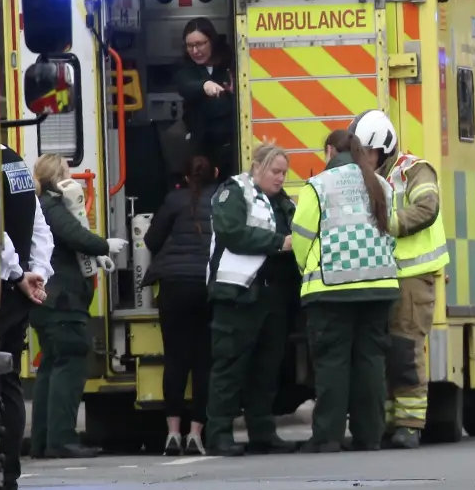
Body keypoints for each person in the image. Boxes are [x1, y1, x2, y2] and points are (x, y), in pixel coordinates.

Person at [291, 127, 398, 453]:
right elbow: (390, 231)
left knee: (333, 363)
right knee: (370, 363)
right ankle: (370, 436)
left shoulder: (318, 185)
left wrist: (306, 271)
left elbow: (301, 236)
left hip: (332, 288)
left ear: (329, 152)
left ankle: (328, 437)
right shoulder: (380, 184)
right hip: (380, 286)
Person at [344, 109, 444, 449]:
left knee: (404, 350)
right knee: (380, 351)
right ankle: (385, 421)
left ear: (384, 148)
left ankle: (410, 423)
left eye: (367, 153)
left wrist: (389, 224)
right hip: (378, 276)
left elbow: (428, 208)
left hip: (412, 276)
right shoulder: (362, 177)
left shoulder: (413, 170)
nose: (363, 161)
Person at [204, 141, 299, 457]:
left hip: (272, 297)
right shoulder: (233, 193)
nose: (281, 178)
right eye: (275, 171)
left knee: (266, 369)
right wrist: (278, 243)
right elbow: (232, 232)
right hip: (238, 296)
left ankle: (263, 432)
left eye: (284, 173)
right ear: (257, 167)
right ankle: (218, 434)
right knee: (229, 369)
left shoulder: (282, 202)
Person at [31, 154, 127, 460]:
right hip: (63, 301)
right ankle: (61, 439)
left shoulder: (41, 204)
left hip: (51, 300)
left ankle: (44, 440)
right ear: (59, 175)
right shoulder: (52, 205)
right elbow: (73, 235)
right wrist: (104, 245)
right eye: (67, 170)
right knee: (69, 365)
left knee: (51, 366)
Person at [144, 154, 220, 456]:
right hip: (206, 284)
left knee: (175, 360)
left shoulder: (173, 200)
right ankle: (196, 434)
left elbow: (151, 240)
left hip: (174, 286)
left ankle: (172, 433)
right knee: (204, 363)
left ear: (186, 177)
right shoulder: (221, 199)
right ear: (215, 173)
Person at [0, 143, 53, 490]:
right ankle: (7, 482)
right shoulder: (13, 159)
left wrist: (18, 273)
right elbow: (38, 226)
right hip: (18, 291)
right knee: (9, 383)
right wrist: (38, 274)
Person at [173, 17, 237, 173]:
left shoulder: (230, 62)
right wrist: (203, 85)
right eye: (190, 46)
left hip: (231, 146)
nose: (195, 51)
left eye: (200, 44)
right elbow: (184, 86)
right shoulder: (184, 66)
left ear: (212, 41)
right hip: (201, 147)